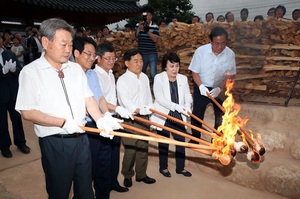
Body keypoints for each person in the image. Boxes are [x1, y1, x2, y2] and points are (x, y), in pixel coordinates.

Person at [15, 18, 122, 199]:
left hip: (82, 139)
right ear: (46, 42)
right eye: (63, 44)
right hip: (56, 142)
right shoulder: (31, 72)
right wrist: (63, 122)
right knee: (60, 192)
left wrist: (101, 119)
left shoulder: (74, 69)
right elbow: (27, 112)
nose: (67, 50)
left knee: (85, 190)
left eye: (70, 44)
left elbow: (88, 99)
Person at [73, 37, 130, 199]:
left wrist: (106, 117)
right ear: (76, 53)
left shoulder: (91, 75)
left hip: (101, 123)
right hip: (85, 128)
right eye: (89, 54)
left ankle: (103, 194)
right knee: (87, 169)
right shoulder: (68, 74)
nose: (92, 58)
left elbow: (100, 99)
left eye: (93, 54)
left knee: (104, 166)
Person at [94, 42, 132, 194]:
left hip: (114, 118)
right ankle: (102, 190)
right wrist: (116, 108)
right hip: (103, 119)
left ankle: (113, 182)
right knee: (102, 158)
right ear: (98, 58)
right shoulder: (95, 75)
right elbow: (99, 99)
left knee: (114, 153)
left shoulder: (110, 73)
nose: (111, 62)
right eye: (107, 58)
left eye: (114, 58)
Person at [188, 26, 236, 143]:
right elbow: (194, 72)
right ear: (210, 41)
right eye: (216, 43)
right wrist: (201, 87)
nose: (220, 47)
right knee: (197, 114)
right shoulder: (201, 52)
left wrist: (220, 88)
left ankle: (217, 140)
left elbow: (230, 75)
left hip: (219, 87)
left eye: (223, 43)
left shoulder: (230, 54)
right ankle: (195, 138)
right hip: (202, 85)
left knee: (221, 115)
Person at [116, 49, 156, 188]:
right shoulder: (122, 80)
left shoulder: (144, 77)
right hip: (130, 119)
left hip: (145, 118)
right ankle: (127, 175)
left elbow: (148, 96)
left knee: (143, 147)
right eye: (136, 61)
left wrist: (150, 111)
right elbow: (126, 102)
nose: (139, 64)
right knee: (131, 149)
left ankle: (141, 174)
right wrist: (138, 110)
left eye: (141, 60)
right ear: (127, 63)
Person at [150, 52, 193, 178]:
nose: (175, 69)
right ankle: (163, 167)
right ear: (165, 67)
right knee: (163, 143)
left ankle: (181, 168)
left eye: (177, 66)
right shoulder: (159, 78)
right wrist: (178, 107)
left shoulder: (183, 79)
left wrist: (188, 106)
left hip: (179, 116)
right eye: (171, 66)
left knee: (181, 143)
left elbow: (187, 96)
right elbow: (160, 99)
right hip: (164, 115)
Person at [0, 35, 30, 158]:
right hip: (1, 93)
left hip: (12, 92)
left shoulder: (9, 53)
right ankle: (4, 146)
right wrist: (2, 72)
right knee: (1, 122)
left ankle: (21, 143)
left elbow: (19, 68)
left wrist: (14, 70)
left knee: (17, 120)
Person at [132, 6, 159, 81]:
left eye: (149, 15)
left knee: (153, 74)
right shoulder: (138, 25)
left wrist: (147, 31)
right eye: (145, 15)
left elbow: (155, 39)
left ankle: (156, 90)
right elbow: (133, 37)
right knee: (141, 73)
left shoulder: (155, 26)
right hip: (141, 54)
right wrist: (138, 29)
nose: (147, 17)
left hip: (152, 53)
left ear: (151, 16)